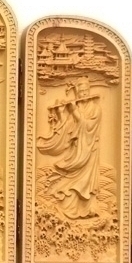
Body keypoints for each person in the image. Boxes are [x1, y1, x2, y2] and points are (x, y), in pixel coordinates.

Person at [37, 76, 101, 218]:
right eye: (81, 91)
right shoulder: (77, 107)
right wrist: (61, 112)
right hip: (76, 149)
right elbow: (67, 127)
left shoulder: (95, 109)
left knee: (84, 183)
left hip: (88, 150)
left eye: (85, 91)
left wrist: (74, 111)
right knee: (70, 182)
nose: (83, 94)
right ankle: (69, 209)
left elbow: (87, 125)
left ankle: (87, 210)